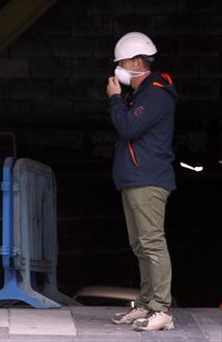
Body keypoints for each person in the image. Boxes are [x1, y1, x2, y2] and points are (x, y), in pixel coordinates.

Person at [106, 32, 177, 331]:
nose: (118, 68)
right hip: (135, 179)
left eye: (121, 62)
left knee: (151, 243)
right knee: (140, 244)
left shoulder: (156, 94)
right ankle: (148, 302)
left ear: (137, 62)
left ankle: (162, 309)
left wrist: (114, 100)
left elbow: (128, 127)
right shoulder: (140, 95)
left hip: (148, 179)